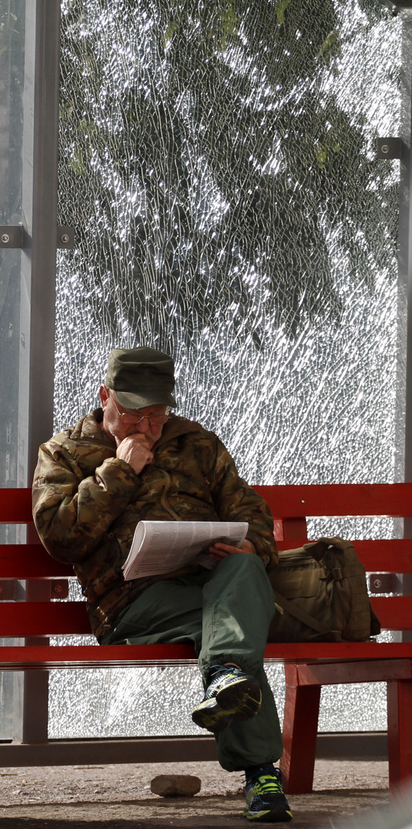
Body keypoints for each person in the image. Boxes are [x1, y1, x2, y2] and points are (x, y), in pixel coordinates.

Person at [32, 346, 292, 823]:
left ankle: (226, 677)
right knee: (232, 629)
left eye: (156, 415)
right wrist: (118, 471)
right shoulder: (64, 453)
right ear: (105, 397)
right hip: (132, 603)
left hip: (211, 586)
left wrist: (252, 545)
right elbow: (61, 538)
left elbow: (249, 509)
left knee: (243, 578)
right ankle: (260, 773)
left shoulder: (197, 444)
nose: (147, 427)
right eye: (134, 415)